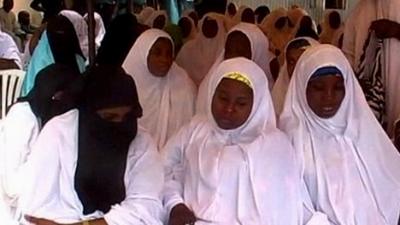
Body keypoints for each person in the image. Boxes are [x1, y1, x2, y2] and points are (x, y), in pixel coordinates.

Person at [163, 57, 305, 225]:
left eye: (241, 103)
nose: (229, 109)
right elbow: (162, 170)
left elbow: (283, 211)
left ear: (256, 105)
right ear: (212, 94)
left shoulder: (275, 147)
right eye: (223, 99)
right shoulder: (195, 130)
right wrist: (175, 204)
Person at [19, 65, 164, 225]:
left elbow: (147, 208)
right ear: (88, 111)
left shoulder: (141, 141)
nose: (119, 124)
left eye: (127, 116)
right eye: (110, 117)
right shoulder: (59, 132)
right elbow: (34, 208)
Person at [279, 44, 400, 225]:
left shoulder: (364, 131)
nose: (329, 96)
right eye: (318, 88)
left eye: (337, 88)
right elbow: (293, 206)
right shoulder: (290, 141)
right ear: (302, 87)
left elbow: (391, 185)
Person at [1, 64, 81, 221]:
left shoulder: (61, 118)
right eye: (60, 98)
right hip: (14, 211)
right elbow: (11, 187)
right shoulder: (22, 117)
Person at [122, 29, 196, 149]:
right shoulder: (123, 88)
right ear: (143, 53)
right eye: (157, 53)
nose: (164, 60)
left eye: (169, 54)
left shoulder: (184, 85)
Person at [342, 0, 400, 136]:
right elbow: (348, 54)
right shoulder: (361, 10)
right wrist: (355, 82)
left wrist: (397, 31)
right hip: (369, 98)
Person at [196, 22, 274, 114]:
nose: (233, 58)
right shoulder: (209, 86)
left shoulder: (271, 92)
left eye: (240, 52)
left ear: (257, 54)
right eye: (229, 51)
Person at [21, 15, 86, 96]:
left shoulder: (78, 61)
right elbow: (34, 95)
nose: (61, 42)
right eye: (57, 35)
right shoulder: (41, 59)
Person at [272, 37, 319, 115]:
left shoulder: (327, 98)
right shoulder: (278, 98)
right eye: (291, 62)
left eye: (302, 60)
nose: (296, 67)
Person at [176, 13, 226, 87]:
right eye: (206, 24)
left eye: (212, 24)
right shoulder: (187, 50)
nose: (209, 28)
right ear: (201, 25)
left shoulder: (225, 52)